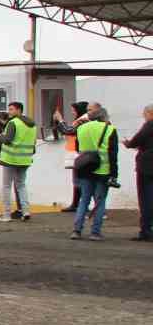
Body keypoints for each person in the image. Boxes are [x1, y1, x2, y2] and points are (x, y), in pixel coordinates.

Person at [70, 108, 118, 241]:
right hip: (103, 170)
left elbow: (78, 148)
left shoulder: (81, 128)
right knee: (100, 201)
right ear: (104, 117)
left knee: (84, 200)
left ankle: (76, 230)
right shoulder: (110, 129)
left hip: (85, 168)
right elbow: (113, 155)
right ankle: (95, 232)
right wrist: (114, 174)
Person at [0, 101, 36, 222]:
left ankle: (6, 215)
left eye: (12, 109)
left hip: (11, 159)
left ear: (19, 110)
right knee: (21, 185)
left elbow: (7, 140)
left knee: (7, 186)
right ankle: (26, 211)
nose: (9, 112)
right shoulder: (32, 124)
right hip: (25, 159)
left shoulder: (13, 123)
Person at [124, 103, 153, 242]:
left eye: (144, 113)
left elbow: (137, 140)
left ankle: (146, 230)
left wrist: (128, 143)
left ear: (149, 113)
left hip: (147, 166)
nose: (143, 116)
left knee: (146, 198)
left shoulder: (149, 125)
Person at [61, 101, 92, 212]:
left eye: (74, 110)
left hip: (79, 153)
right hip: (76, 152)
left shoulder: (82, 120)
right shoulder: (81, 120)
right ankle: (76, 203)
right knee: (77, 180)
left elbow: (68, 131)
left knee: (81, 180)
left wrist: (60, 121)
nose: (72, 112)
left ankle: (82, 205)